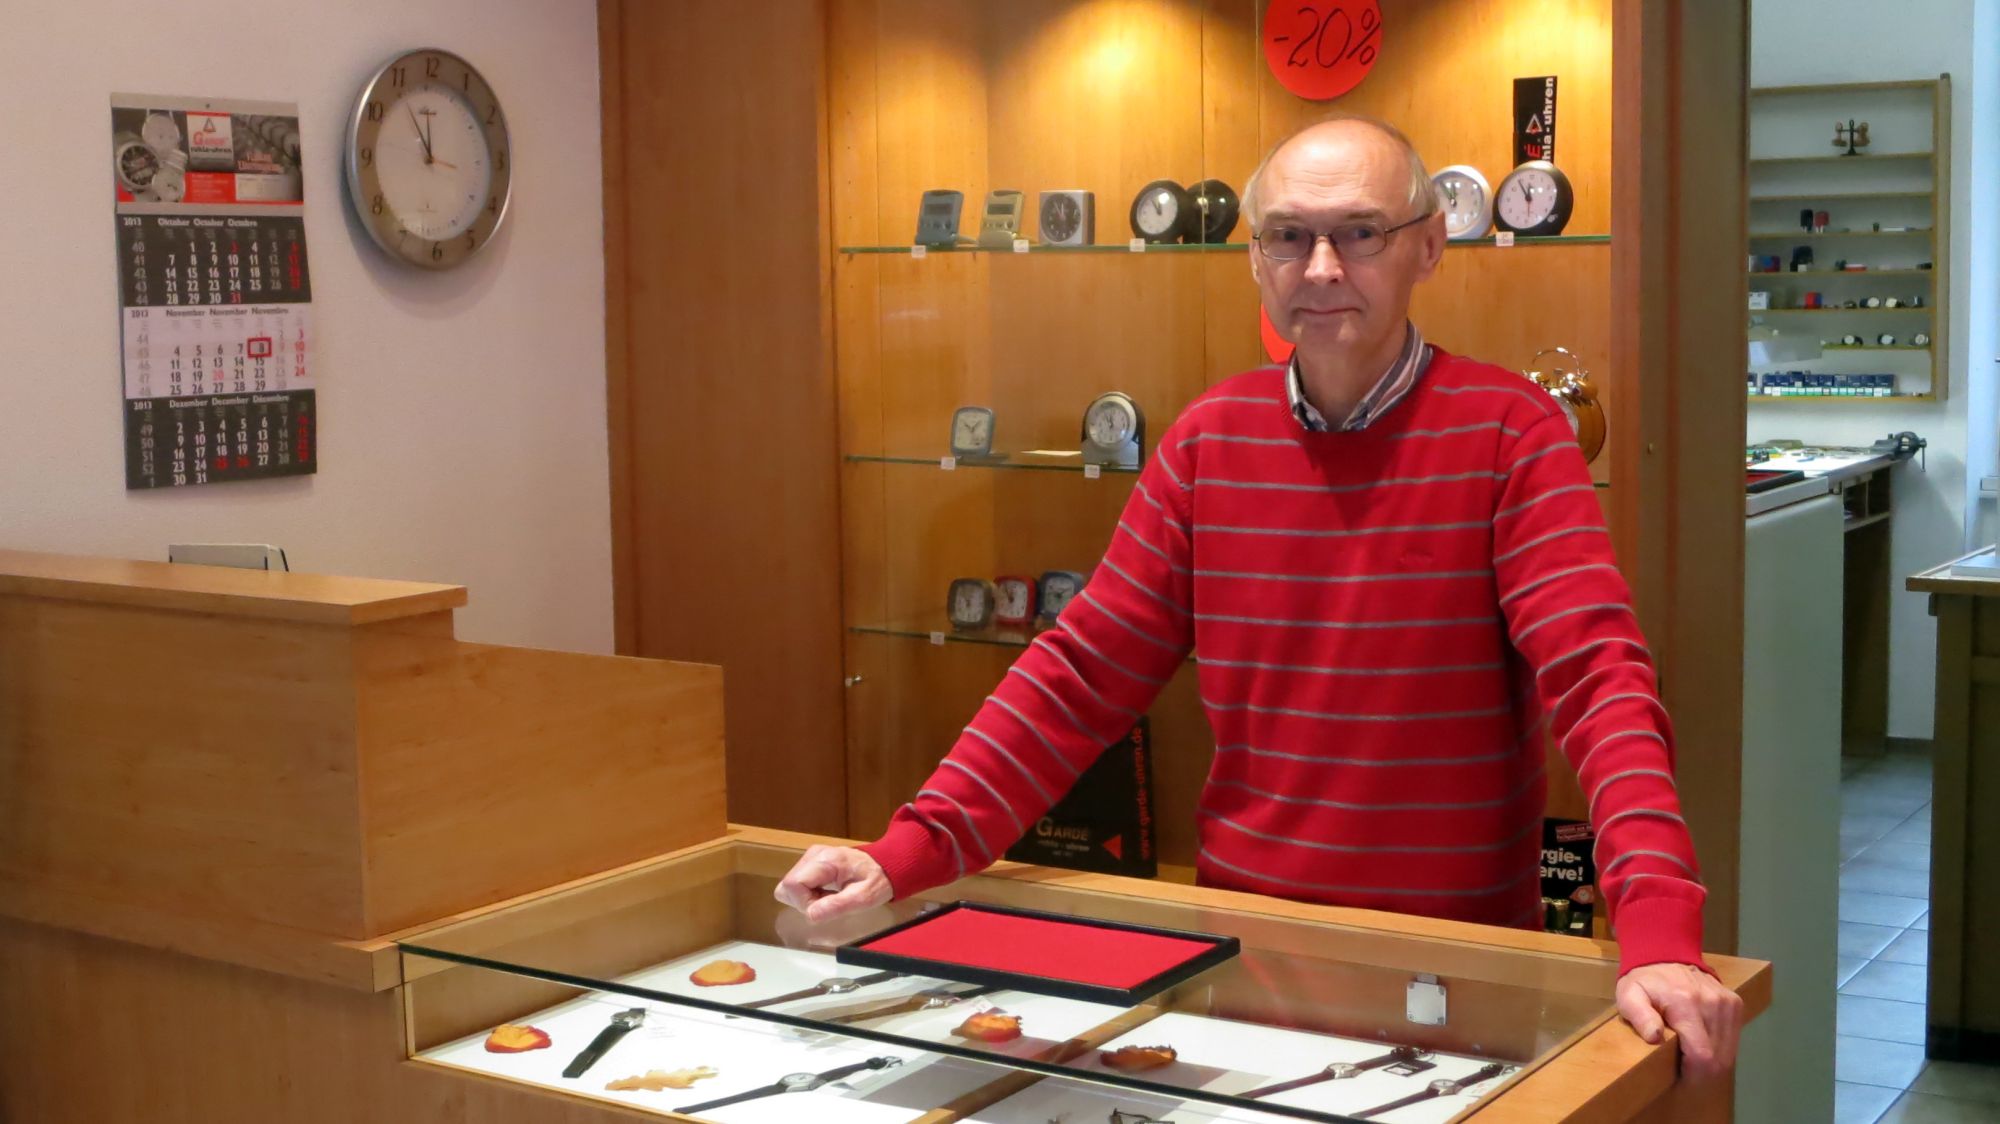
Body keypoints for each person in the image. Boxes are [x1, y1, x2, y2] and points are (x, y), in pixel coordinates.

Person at [775, 115, 1743, 1078]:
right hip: (1244, 954)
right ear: (1254, 257)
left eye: (1359, 232)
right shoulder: (1208, 439)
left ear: (1427, 246)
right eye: (1288, 235)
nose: (1320, 267)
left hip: (1456, 964)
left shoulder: (1510, 432)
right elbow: (1080, 673)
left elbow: (1597, 678)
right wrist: (911, 848)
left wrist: (1657, 925)